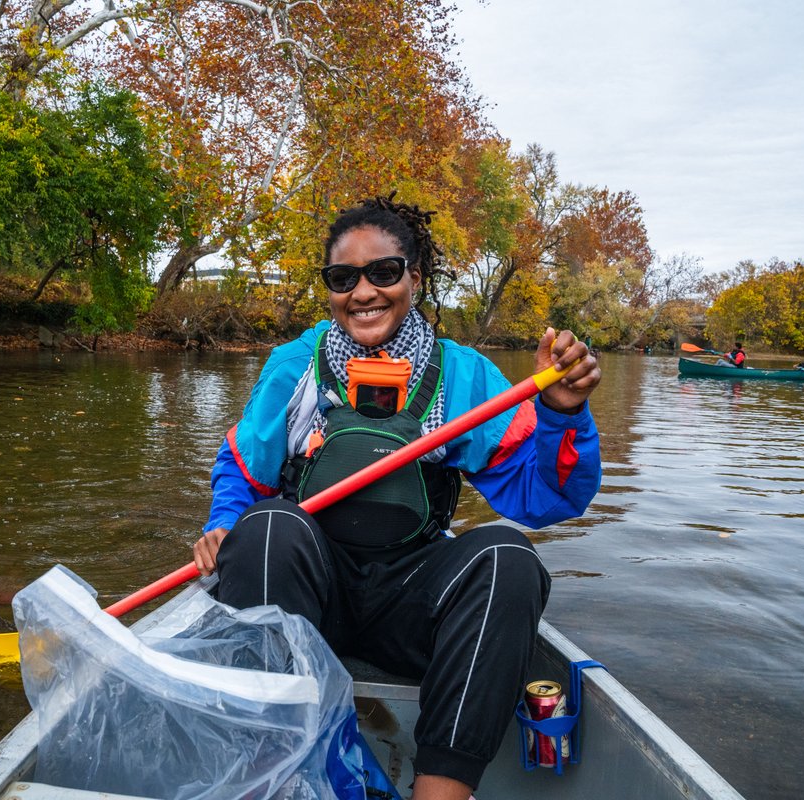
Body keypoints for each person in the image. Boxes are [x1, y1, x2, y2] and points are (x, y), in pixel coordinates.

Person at [192, 195, 602, 800]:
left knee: (508, 557)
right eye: (343, 278)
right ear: (329, 289)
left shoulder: (463, 376)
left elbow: (543, 499)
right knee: (266, 524)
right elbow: (243, 470)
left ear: (415, 277)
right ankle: (280, 772)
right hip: (310, 597)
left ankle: (438, 791)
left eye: (384, 272)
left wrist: (561, 415)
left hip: (411, 606)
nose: (363, 292)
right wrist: (225, 524)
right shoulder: (292, 366)